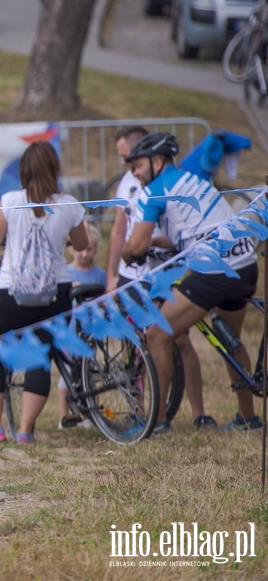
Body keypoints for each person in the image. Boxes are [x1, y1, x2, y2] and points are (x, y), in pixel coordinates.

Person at [122, 132, 261, 435]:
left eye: (138, 165)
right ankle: (248, 419)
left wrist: (127, 252)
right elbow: (187, 231)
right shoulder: (192, 180)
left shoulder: (153, 191)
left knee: (157, 335)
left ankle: (156, 423)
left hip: (214, 270)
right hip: (245, 263)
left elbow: (135, 246)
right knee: (231, 341)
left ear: (157, 162)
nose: (134, 172)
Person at [0, 141, 88, 445]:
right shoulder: (69, 204)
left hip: (12, 292)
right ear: (54, 169)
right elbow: (82, 244)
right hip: (56, 291)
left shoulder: (10, 201)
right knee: (40, 356)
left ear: (23, 172)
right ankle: (25, 430)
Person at [108, 126, 211, 429]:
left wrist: (151, 244)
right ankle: (141, 412)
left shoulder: (169, 181)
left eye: (129, 157)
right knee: (133, 342)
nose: (127, 165)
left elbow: (184, 231)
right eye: (123, 159)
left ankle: (198, 413)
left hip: (165, 271)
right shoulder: (128, 182)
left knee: (178, 339)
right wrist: (112, 273)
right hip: (131, 273)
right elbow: (118, 231)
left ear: (149, 154)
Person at [57, 222, 105, 430]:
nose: (85, 254)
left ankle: (87, 416)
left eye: (89, 249)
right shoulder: (65, 273)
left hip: (91, 333)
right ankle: (65, 416)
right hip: (69, 333)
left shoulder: (100, 275)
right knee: (67, 376)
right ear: (70, 248)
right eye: (81, 249)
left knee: (88, 374)